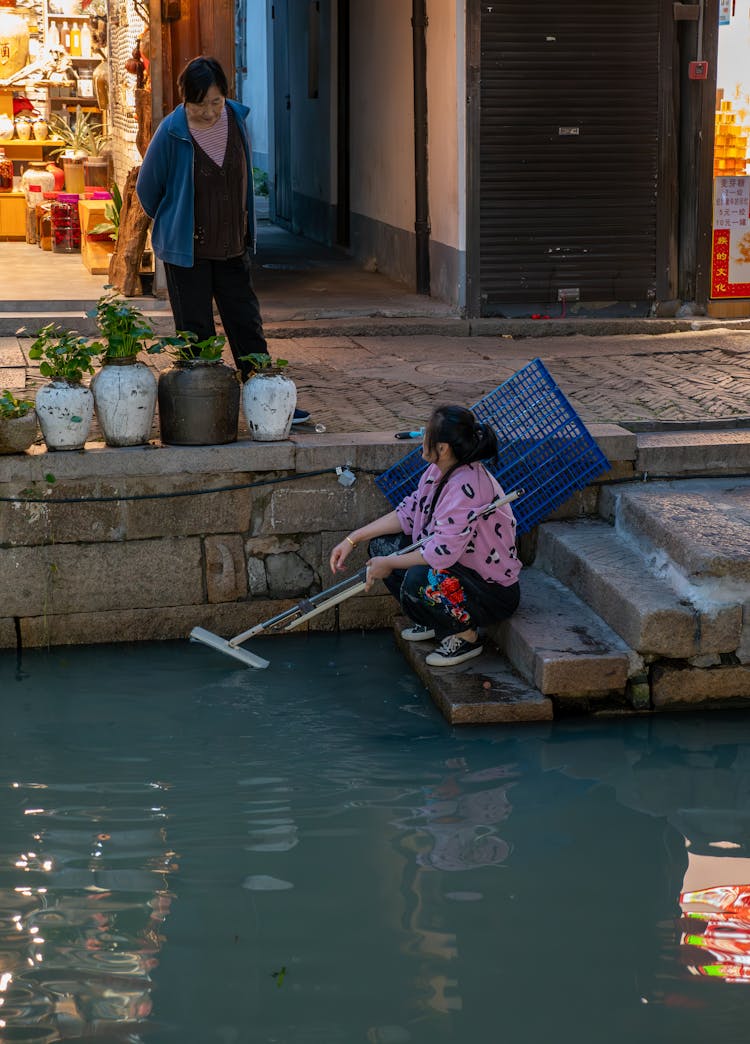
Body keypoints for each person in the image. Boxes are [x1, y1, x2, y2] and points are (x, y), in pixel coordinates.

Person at [135, 55, 310, 424]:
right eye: (200, 104)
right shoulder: (172, 131)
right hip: (188, 253)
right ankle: (202, 413)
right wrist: (177, 221)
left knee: (247, 326)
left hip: (232, 248)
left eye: (216, 102)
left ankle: (270, 404)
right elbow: (148, 189)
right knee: (196, 334)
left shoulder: (236, 119)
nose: (210, 112)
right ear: (185, 99)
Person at [329, 405, 521, 667]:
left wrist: (389, 564)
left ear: (443, 448)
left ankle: (466, 636)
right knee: (383, 547)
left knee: (419, 578)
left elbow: (440, 554)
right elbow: (409, 512)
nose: (422, 439)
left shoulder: (467, 487)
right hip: (460, 567)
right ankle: (433, 619)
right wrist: (353, 538)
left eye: (426, 434)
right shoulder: (438, 469)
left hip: (492, 592)